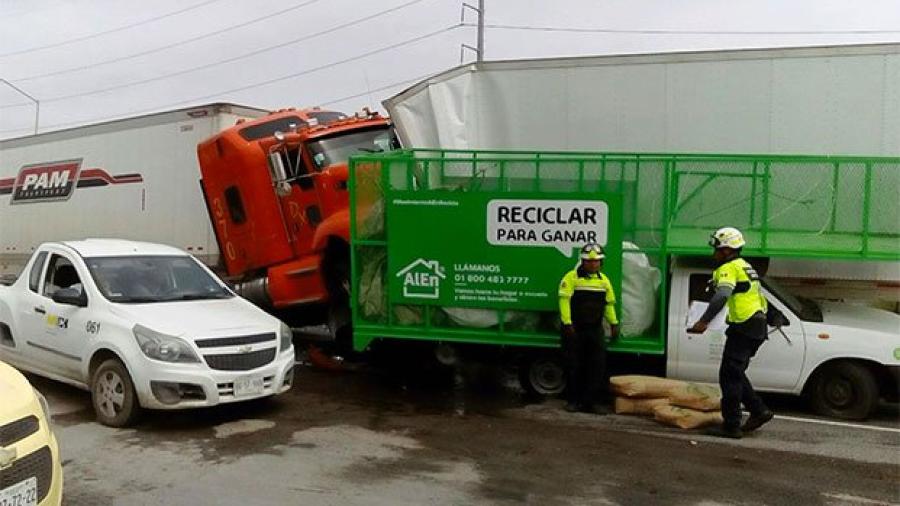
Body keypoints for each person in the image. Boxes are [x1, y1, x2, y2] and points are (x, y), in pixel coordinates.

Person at [687, 227, 775, 438]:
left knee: (728, 376)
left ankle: (732, 425)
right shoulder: (746, 266)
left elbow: (721, 296)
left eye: (717, 248)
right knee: (734, 372)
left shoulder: (728, 268)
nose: (713, 253)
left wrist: (703, 321)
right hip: (756, 326)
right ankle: (759, 410)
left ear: (727, 250)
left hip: (744, 326)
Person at [558, 243, 620, 414]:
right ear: (583, 261)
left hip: (595, 329)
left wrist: (614, 323)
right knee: (573, 365)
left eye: (597, 261)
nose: (593, 264)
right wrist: (567, 323)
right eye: (589, 261)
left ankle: (589, 402)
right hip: (574, 329)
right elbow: (564, 301)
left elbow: (608, 305)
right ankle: (572, 401)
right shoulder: (571, 278)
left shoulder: (604, 281)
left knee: (596, 366)